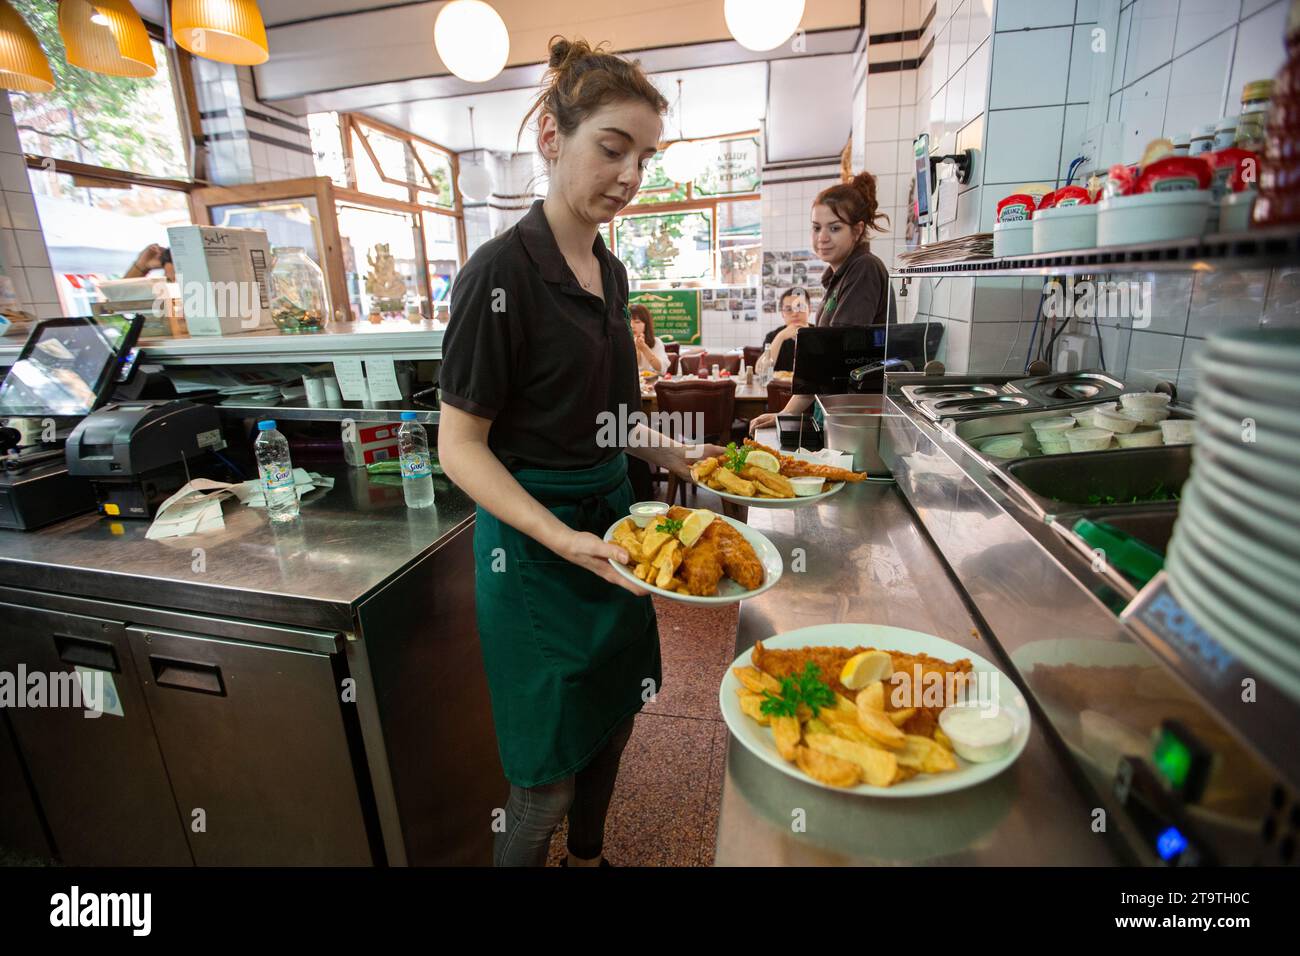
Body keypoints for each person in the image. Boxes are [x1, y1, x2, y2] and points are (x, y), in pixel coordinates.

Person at [437, 37, 723, 869]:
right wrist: (559, 538)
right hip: (535, 549)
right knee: (544, 778)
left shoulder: (611, 271)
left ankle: (589, 860)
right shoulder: (500, 274)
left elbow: (615, 420)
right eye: (612, 148)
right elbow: (461, 448)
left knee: (618, 715)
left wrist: (689, 458)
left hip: (615, 529)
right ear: (551, 139)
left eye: (645, 157)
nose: (631, 176)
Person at [749, 172, 892, 432]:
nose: (822, 237)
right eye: (817, 227)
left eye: (834, 228)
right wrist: (786, 413)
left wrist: (786, 412)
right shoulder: (839, 276)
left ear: (857, 230)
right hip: (836, 409)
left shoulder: (864, 269)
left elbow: (834, 355)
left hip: (853, 415)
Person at [760, 286, 811, 373]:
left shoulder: (821, 334)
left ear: (809, 310)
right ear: (782, 314)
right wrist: (780, 337)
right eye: (788, 309)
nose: (795, 314)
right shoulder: (772, 336)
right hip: (780, 386)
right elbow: (760, 371)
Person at [629, 303, 668, 374]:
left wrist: (644, 348)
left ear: (646, 324)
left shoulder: (656, 342)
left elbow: (661, 369)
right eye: (629, 322)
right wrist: (636, 349)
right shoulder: (623, 343)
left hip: (651, 382)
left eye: (637, 322)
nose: (632, 326)